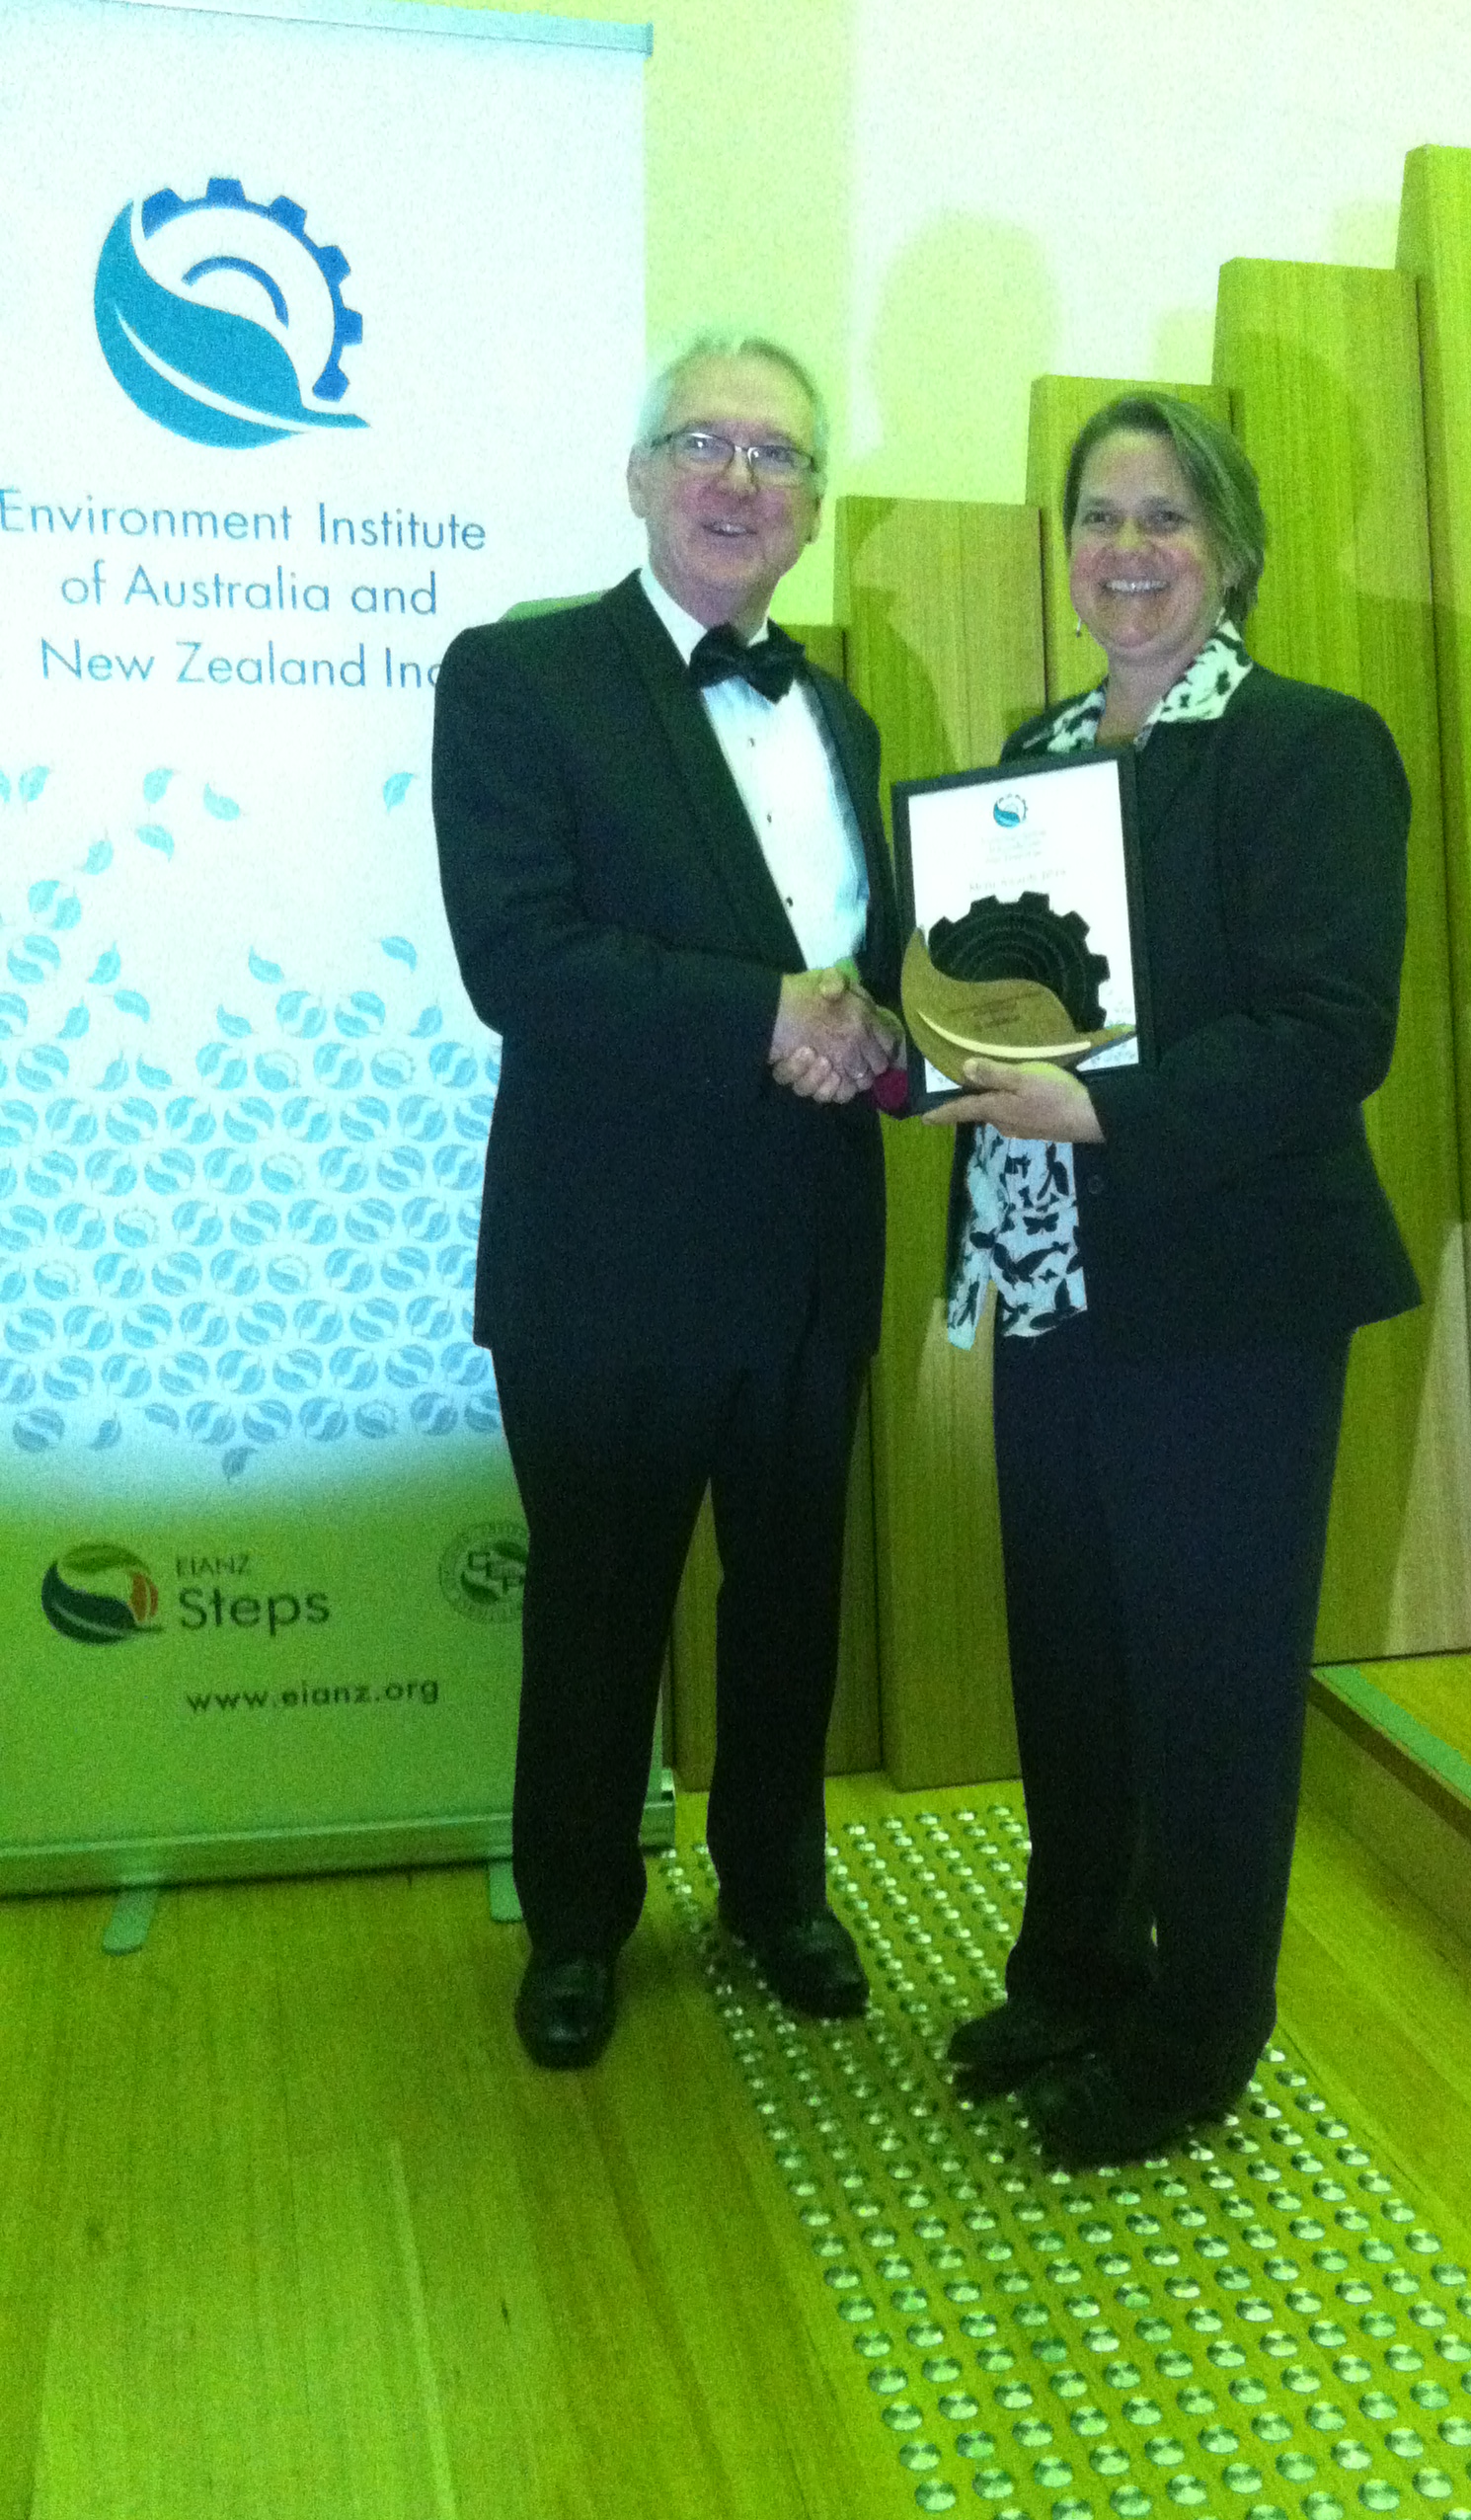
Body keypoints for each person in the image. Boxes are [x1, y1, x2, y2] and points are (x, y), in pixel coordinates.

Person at [929, 392, 1420, 2165]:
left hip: (1232, 1297)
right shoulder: (1034, 751)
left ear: (1234, 548)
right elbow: (992, 986)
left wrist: (1099, 1105)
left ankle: (1198, 2034)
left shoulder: (1310, 746)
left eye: (1165, 518)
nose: (1126, 550)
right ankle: (1076, 1971)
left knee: (1210, 1680)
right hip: (1054, 1275)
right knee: (1073, 1654)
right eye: (1098, 518)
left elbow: (1330, 1034)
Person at [432, 334, 902, 2069]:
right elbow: (519, 957)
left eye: (777, 457)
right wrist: (767, 1015)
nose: (737, 480)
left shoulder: (842, 715)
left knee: (791, 1600)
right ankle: (576, 1921)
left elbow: (867, 969)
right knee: (597, 1607)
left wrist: (897, 1036)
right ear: (638, 476)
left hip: (808, 1246)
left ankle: (775, 1887)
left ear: (812, 509)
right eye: (703, 442)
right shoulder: (519, 676)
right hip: (607, 1256)